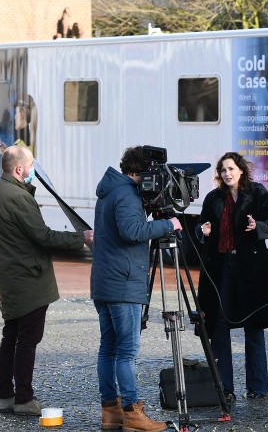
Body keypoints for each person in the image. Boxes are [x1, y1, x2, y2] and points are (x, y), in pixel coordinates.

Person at [0, 145, 93, 416]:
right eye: (31, 165)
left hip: (10, 278)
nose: (35, 169)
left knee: (11, 336)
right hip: (28, 279)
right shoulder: (17, 197)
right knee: (27, 339)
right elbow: (43, 236)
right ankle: (24, 398)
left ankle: (5, 396)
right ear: (19, 169)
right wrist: (81, 238)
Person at [91, 146, 182, 432]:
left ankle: (111, 411)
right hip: (123, 283)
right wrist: (168, 223)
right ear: (142, 171)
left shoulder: (110, 191)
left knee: (108, 348)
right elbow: (132, 232)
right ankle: (131, 411)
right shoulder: (127, 194)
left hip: (105, 282)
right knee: (126, 351)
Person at [196, 152, 268, 402]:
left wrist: (258, 227)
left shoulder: (258, 193)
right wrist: (204, 230)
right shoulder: (213, 198)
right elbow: (200, 227)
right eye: (223, 170)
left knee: (254, 327)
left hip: (250, 268)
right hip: (221, 267)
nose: (227, 174)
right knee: (219, 325)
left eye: (231, 169)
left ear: (241, 170)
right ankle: (224, 387)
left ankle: (258, 387)